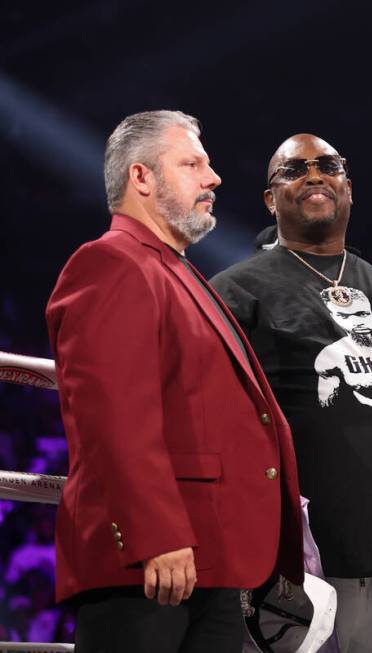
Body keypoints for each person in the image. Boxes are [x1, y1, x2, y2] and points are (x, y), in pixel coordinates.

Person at [45, 110, 304, 653]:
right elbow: (113, 416)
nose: (213, 178)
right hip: (153, 562)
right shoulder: (111, 263)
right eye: (192, 164)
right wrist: (157, 535)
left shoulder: (177, 272)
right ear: (141, 177)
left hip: (207, 558)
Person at [210, 133, 372, 652]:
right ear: (271, 200)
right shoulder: (236, 291)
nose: (314, 175)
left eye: (328, 165)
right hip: (294, 574)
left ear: (349, 188)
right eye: (294, 170)